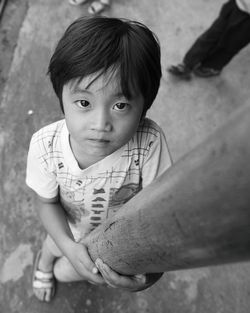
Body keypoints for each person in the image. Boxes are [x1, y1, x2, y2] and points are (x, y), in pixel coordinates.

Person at [26, 16, 172, 302]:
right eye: (84, 103)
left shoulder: (149, 143)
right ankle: (42, 264)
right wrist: (67, 246)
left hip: (119, 240)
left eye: (120, 105)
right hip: (69, 228)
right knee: (52, 248)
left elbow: (162, 210)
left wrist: (150, 275)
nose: (100, 123)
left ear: (144, 108)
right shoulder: (46, 146)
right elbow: (46, 202)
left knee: (90, 272)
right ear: (62, 99)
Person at [168, 0, 250, 79]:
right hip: (236, 4)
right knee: (211, 35)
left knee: (230, 44)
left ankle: (212, 66)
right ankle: (188, 63)